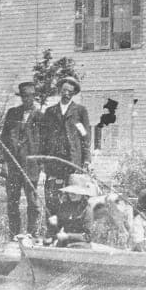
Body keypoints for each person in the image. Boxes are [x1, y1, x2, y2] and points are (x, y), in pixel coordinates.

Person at [0, 81, 43, 238]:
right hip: (13, 165)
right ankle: (14, 234)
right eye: (24, 96)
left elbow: (44, 142)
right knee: (12, 202)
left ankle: (33, 234)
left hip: (31, 166)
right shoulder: (12, 113)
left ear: (34, 97)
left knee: (33, 202)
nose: (26, 100)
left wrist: (41, 164)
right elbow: (3, 138)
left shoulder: (40, 116)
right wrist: (3, 162)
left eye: (29, 96)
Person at [42, 76, 91, 217]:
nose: (66, 93)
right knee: (52, 197)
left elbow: (85, 137)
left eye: (70, 91)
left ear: (74, 93)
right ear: (59, 91)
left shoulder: (80, 111)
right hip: (54, 162)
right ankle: (52, 231)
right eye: (64, 90)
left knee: (72, 196)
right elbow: (44, 138)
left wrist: (86, 159)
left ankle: (69, 229)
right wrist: (43, 161)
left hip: (72, 161)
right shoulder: (50, 112)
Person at [44, 173, 98, 247]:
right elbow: (57, 228)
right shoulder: (64, 206)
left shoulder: (87, 210)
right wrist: (53, 225)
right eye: (70, 193)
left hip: (81, 245)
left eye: (74, 193)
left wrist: (68, 236)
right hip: (65, 243)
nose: (71, 195)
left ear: (82, 194)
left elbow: (88, 236)